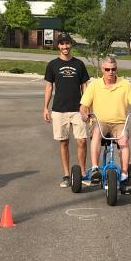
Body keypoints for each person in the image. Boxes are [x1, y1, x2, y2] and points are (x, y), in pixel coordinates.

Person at [79, 56, 131, 186]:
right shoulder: (95, 85)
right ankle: (96, 168)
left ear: (116, 69)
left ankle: (124, 173)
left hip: (119, 123)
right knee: (96, 132)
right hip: (100, 122)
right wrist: (84, 114)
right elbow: (84, 105)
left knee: (124, 140)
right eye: (107, 69)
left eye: (113, 69)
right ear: (102, 69)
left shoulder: (125, 84)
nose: (110, 72)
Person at [43, 33, 91, 187]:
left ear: (71, 45)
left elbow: (85, 85)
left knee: (82, 141)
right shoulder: (52, 65)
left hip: (78, 110)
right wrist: (45, 108)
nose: (65, 47)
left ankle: (83, 173)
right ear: (58, 46)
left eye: (67, 44)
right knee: (63, 142)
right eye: (62, 44)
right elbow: (49, 86)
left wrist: (87, 106)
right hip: (59, 110)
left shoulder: (79, 64)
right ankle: (66, 175)